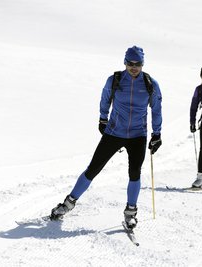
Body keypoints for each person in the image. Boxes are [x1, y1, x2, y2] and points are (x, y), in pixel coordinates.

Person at [50, 46, 162, 230]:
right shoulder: (115, 80)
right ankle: (68, 203)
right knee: (93, 168)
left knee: (135, 173)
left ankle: (130, 212)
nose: (134, 67)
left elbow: (156, 109)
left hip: (137, 135)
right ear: (125, 62)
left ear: (142, 64)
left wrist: (157, 134)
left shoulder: (150, 84)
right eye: (130, 63)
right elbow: (105, 99)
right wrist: (103, 118)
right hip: (114, 132)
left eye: (138, 64)